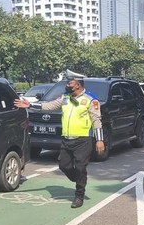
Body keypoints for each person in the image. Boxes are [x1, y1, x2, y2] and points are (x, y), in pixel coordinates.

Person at [14, 77, 105, 208]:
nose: (68, 85)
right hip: (67, 138)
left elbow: (96, 120)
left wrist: (100, 140)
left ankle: (79, 195)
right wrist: (30, 105)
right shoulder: (65, 97)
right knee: (64, 165)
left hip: (83, 140)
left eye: (70, 83)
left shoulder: (91, 100)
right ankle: (79, 178)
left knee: (80, 167)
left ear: (78, 85)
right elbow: (49, 106)